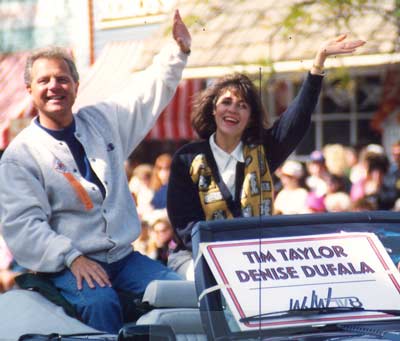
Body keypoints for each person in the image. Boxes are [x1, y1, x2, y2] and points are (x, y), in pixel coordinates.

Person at [0, 10, 191, 334]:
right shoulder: (20, 156)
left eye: (62, 78)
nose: (54, 86)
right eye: (44, 80)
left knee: (181, 295)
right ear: (30, 90)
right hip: (66, 264)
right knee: (101, 305)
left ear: (76, 85)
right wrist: (72, 257)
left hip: (123, 258)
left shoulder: (102, 121)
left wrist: (177, 51)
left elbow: (143, 96)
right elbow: (23, 225)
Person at [166, 34, 365, 279]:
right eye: (226, 102)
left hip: (253, 256)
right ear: (213, 109)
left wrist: (318, 63)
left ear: (250, 116)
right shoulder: (186, 159)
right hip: (195, 256)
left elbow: (297, 120)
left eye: (242, 105)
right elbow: (186, 227)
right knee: (209, 278)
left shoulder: (263, 152)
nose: (233, 109)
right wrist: (226, 257)